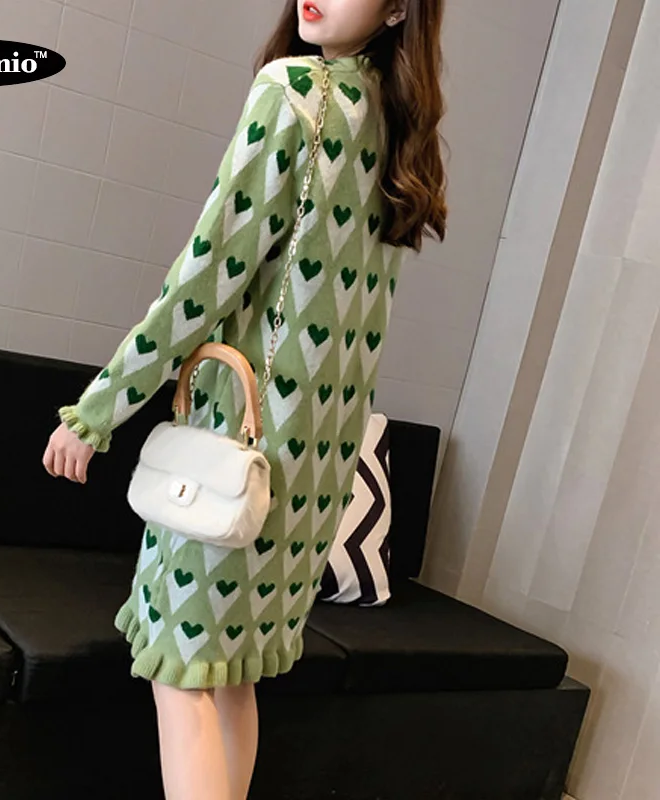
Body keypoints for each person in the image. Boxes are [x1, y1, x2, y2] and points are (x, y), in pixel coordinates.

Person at [42, 1, 447, 797]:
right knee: (232, 678)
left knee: (184, 672)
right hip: (312, 474)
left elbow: (204, 278)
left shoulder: (295, 94)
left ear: (400, 7)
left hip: (237, 450)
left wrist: (98, 411)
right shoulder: (400, 131)